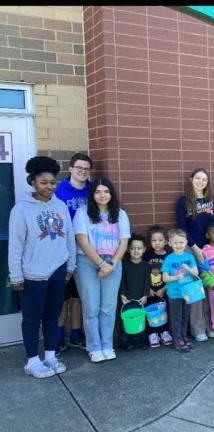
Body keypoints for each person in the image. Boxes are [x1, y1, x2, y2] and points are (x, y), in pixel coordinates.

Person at [8, 155, 76, 378]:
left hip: (58, 270)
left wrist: (70, 266)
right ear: (33, 182)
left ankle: (50, 356)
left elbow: (69, 238)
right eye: (43, 182)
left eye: (52, 182)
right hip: (33, 273)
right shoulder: (21, 209)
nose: (49, 186)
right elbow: (15, 245)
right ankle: (32, 361)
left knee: (52, 315)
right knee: (31, 318)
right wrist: (15, 275)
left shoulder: (60, 206)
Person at [73, 177, 131, 362]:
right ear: (92, 195)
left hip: (113, 263)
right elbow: (82, 241)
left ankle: (107, 345)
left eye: (106, 191)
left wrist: (111, 264)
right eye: (98, 192)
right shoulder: (82, 213)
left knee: (108, 307)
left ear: (111, 193)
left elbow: (124, 243)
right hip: (87, 262)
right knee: (91, 308)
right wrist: (101, 264)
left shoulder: (120, 214)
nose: (102, 195)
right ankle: (94, 347)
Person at [54, 151, 93, 352]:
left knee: (79, 296)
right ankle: (59, 336)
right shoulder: (59, 190)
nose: (82, 171)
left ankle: (76, 335)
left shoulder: (92, 190)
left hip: (86, 251)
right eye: (79, 168)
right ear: (70, 168)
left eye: (86, 169)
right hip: (63, 250)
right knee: (61, 297)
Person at [161, 228, 203, 351]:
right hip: (174, 294)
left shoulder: (189, 257)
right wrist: (176, 277)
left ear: (186, 242)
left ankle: (184, 336)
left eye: (181, 242)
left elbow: (196, 273)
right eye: (175, 242)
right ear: (170, 243)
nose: (178, 245)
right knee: (177, 318)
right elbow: (165, 278)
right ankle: (177, 339)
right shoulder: (169, 259)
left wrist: (187, 268)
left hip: (188, 293)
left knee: (185, 316)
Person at [176, 168, 214, 264]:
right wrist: (195, 248)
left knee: (210, 272)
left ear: (207, 182)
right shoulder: (183, 201)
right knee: (194, 272)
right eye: (197, 178)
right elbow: (182, 228)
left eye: (204, 180)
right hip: (191, 245)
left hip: (211, 245)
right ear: (191, 179)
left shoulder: (213, 200)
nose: (200, 182)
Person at [143, 225, 174, 347]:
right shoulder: (147, 256)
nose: (157, 243)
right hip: (151, 291)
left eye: (160, 240)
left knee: (163, 311)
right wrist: (148, 288)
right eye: (154, 240)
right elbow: (143, 274)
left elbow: (172, 274)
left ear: (166, 242)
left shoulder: (169, 256)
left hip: (164, 289)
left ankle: (164, 332)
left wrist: (164, 288)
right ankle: (152, 334)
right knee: (151, 312)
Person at [119, 233, 150, 350]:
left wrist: (145, 295)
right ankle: (126, 342)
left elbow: (147, 282)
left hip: (141, 298)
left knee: (140, 319)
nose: (136, 251)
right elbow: (122, 281)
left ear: (144, 249)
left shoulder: (146, 266)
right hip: (127, 299)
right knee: (127, 320)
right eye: (133, 248)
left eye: (139, 248)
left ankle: (140, 341)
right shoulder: (124, 265)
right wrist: (122, 294)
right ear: (128, 249)